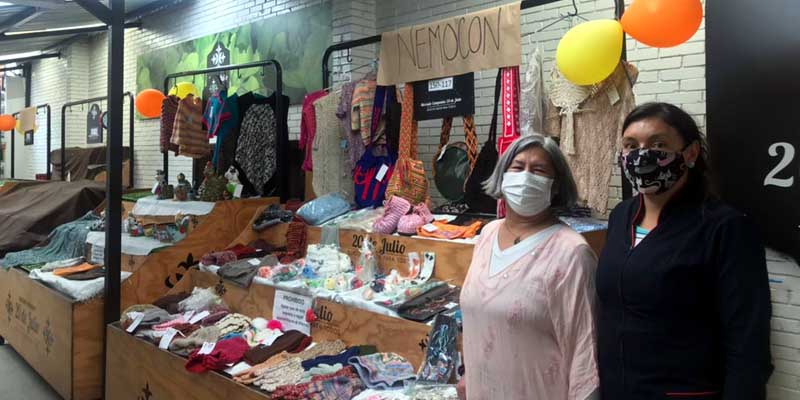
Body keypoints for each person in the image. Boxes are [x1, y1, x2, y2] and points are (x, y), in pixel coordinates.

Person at [596, 102, 773, 400]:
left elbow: (748, 343)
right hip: (619, 389)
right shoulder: (620, 216)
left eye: (658, 144)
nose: (642, 154)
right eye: (630, 145)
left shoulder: (724, 227)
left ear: (690, 154)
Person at [458, 135, 600, 400]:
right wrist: (468, 373)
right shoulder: (487, 234)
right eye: (518, 166)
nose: (525, 177)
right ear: (502, 175)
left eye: (538, 170)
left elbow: (585, 355)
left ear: (555, 186)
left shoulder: (571, 253)